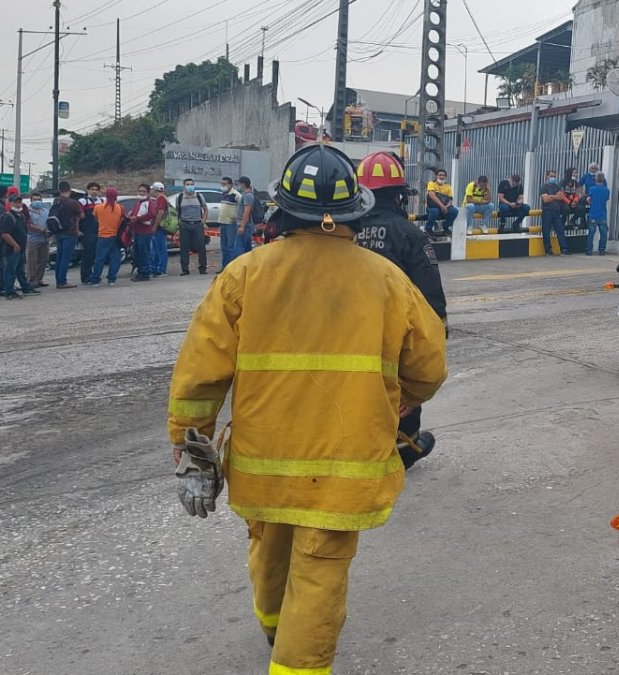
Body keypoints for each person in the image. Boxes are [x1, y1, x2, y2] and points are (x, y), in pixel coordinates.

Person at [166, 143, 447, 675]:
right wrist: (409, 396)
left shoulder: (243, 275)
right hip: (345, 467)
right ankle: (296, 659)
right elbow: (429, 366)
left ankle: (277, 633)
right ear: (352, 212)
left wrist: (191, 448)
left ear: (282, 210)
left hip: (262, 464)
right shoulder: (388, 280)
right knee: (319, 574)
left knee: (268, 554)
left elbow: (200, 376)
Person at [355, 151, 449, 468]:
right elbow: (431, 298)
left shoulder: (342, 234)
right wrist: (436, 339)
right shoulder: (411, 236)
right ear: (398, 194)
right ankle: (404, 449)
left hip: (347, 337)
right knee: (403, 395)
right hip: (395, 340)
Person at [0, 194, 37, 299]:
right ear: (10, 203)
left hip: (20, 248)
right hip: (11, 249)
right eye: (15, 202)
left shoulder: (21, 216)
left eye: (19, 202)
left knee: (20, 269)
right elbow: (5, 234)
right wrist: (14, 245)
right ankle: (9, 291)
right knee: (10, 270)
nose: (18, 204)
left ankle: (25, 287)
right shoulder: (8, 217)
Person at [90, 187, 125, 285]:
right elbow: (121, 221)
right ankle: (111, 279)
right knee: (115, 258)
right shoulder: (120, 208)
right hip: (114, 236)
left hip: (102, 235)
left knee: (100, 258)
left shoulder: (98, 207)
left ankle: (95, 279)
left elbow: (96, 219)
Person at [175, 178, 209, 275]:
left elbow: (205, 209)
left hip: (197, 224)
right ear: (184, 186)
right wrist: (178, 224)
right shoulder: (180, 197)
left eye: (191, 184)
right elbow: (177, 211)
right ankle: (185, 269)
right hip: (184, 224)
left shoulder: (199, 196)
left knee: (201, 246)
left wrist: (203, 221)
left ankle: (202, 268)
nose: (190, 186)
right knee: (184, 247)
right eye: (187, 184)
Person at [53, 181, 83, 289]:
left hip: (58, 232)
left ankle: (58, 279)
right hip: (70, 232)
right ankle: (62, 281)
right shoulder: (73, 203)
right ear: (70, 190)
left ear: (59, 190)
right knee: (66, 258)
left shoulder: (56, 201)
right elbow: (82, 215)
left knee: (59, 257)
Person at [129, 183, 160, 282]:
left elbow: (151, 214)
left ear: (148, 193)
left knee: (144, 253)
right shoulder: (138, 203)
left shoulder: (149, 203)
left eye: (144, 191)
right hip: (137, 231)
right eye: (140, 191)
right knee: (137, 253)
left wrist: (138, 218)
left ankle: (145, 273)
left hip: (145, 232)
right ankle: (140, 272)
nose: (141, 193)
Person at [539, 169, 568, 255]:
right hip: (547, 211)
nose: (553, 178)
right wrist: (556, 196)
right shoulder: (544, 187)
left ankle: (564, 249)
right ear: (547, 176)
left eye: (554, 176)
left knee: (560, 231)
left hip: (556, 211)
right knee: (546, 231)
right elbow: (546, 199)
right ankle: (548, 250)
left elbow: (561, 197)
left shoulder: (557, 186)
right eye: (551, 176)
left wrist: (551, 196)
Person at [79, 182, 103, 284]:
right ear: (88, 190)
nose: (94, 191)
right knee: (87, 254)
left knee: (95, 254)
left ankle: (93, 274)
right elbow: (77, 217)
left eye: (96, 189)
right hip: (86, 232)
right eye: (92, 189)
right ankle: (85, 276)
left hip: (99, 231)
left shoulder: (101, 201)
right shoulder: (82, 201)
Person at [25, 192, 51, 288]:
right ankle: (31, 280)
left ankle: (39, 279)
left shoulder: (46, 211)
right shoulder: (28, 212)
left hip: (44, 239)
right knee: (32, 261)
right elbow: (28, 225)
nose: (37, 201)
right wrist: (41, 229)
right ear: (31, 200)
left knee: (43, 261)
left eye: (38, 199)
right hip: (32, 239)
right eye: (35, 200)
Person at [585, 172, 611, 256]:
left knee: (591, 233)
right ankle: (602, 250)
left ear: (596, 179)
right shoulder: (606, 190)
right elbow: (606, 199)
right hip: (602, 214)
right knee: (603, 233)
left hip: (593, 214)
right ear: (603, 179)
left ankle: (589, 250)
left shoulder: (592, 189)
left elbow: (588, 199)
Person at [147, 182, 170, 277]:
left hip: (159, 227)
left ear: (155, 189)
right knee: (156, 249)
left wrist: (155, 226)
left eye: (152, 189)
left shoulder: (160, 198)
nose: (151, 191)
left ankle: (161, 269)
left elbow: (160, 213)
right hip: (159, 227)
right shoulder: (163, 198)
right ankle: (155, 268)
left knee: (160, 249)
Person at [218, 176, 241, 271]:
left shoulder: (236, 195)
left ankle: (232, 268)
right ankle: (224, 267)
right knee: (224, 247)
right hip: (222, 223)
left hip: (231, 224)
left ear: (230, 185)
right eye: (221, 184)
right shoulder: (223, 194)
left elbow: (242, 209)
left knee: (231, 246)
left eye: (224, 184)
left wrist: (237, 219)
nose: (222, 186)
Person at [424, 169, 457, 235]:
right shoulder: (431, 184)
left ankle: (445, 226)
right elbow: (431, 195)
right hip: (432, 207)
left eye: (443, 175)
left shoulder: (448, 186)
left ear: (446, 177)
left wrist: (446, 207)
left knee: (454, 211)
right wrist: (442, 206)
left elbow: (450, 199)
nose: (442, 176)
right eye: (440, 175)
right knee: (435, 211)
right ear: (436, 176)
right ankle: (428, 229)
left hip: (444, 207)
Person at [235, 177, 257, 261]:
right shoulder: (246, 195)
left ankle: (241, 269)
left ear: (243, 184)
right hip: (245, 225)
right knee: (246, 248)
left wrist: (242, 226)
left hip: (245, 226)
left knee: (240, 249)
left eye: (239, 184)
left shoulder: (248, 196)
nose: (238, 186)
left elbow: (246, 212)